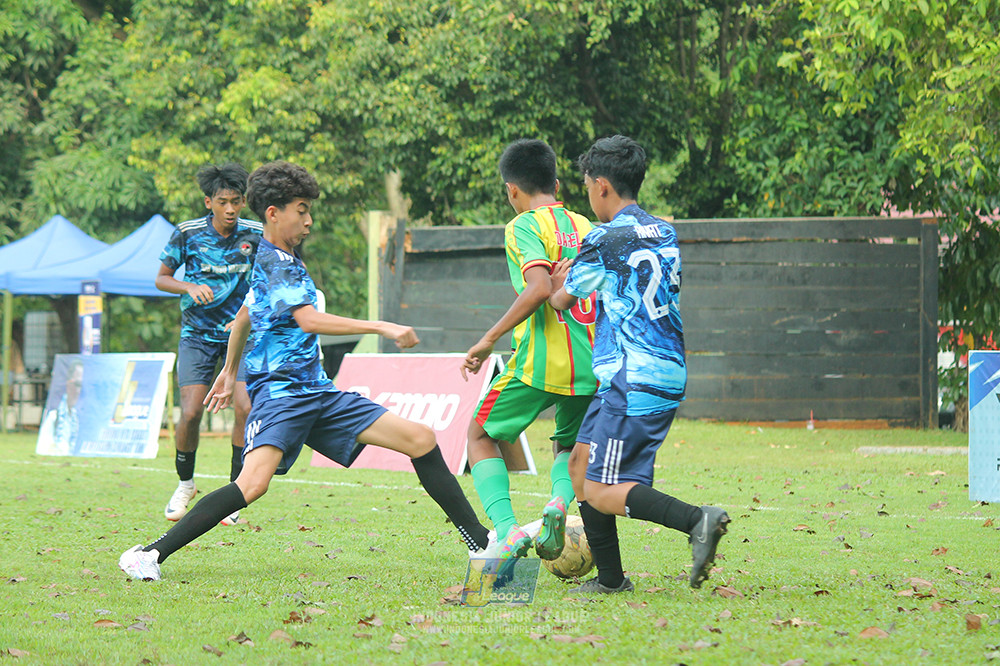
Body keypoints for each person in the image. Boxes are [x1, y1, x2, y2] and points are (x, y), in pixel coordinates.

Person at [120, 161, 490, 581]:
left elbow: (244, 314)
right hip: (282, 395)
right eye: (301, 209)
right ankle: (148, 554)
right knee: (252, 485)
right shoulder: (277, 260)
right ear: (274, 213)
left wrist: (229, 369)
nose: (309, 220)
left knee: (420, 439)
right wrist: (381, 325)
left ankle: (481, 543)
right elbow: (309, 319)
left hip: (316, 391)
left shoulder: (272, 255)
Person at [548, 135, 730, 594]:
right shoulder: (664, 229)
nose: (588, 193)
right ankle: (611, 580)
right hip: (655, 368)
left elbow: (562, 300)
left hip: (634, 376)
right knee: (579, 464)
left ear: (602, 186)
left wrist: (557, 280)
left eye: (588, 184)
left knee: (600, 491)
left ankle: (697, 520)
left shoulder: (603, 237)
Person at [461, 139, 597, 564]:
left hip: (539, 362)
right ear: (556, 184)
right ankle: (558, 504)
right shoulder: (586, 225)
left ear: (512, 190)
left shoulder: (522, 225)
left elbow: (539, 287)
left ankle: (506, 530)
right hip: (590, 365)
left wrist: (488, 339)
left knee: (479, 436)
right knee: (566, 446)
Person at [155, 163, 261, 525]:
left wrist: (249, 315)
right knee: (190, 412)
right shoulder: (187, 233)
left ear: (244, 201)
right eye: (223, 202)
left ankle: (234, 491)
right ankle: (186, 484)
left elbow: (271, 279)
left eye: (236, 201)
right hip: (197, 335)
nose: (230, 209)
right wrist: (188, 286)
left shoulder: (257, 235)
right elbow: (162, 278)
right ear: (208, 202)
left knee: (244, 407)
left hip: (242, 335)